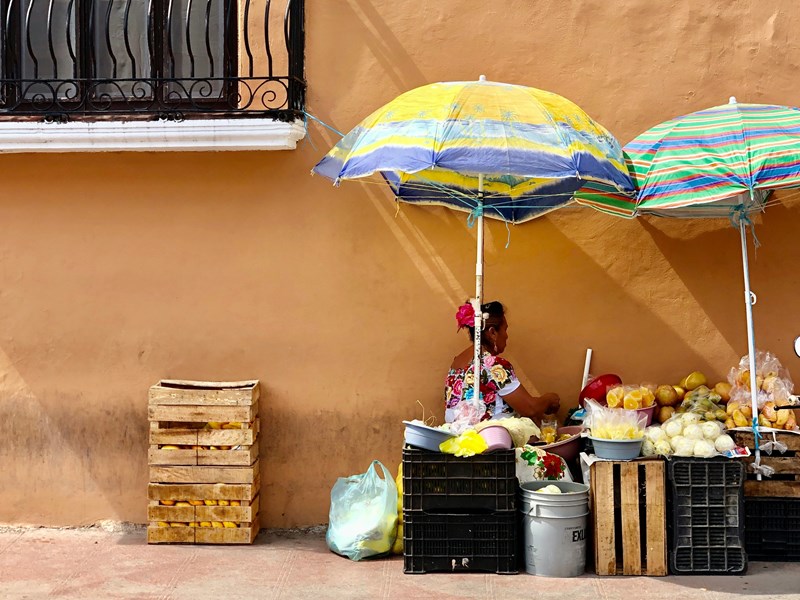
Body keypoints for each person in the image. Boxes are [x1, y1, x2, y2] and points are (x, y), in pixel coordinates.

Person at [444, 300, 560, 424]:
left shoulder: (457, 362)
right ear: (493, 332)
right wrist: (549, 399)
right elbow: (530, 408)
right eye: (505, 329)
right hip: (490, 439)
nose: (506, 336)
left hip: (459, 437)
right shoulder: (493, 364)